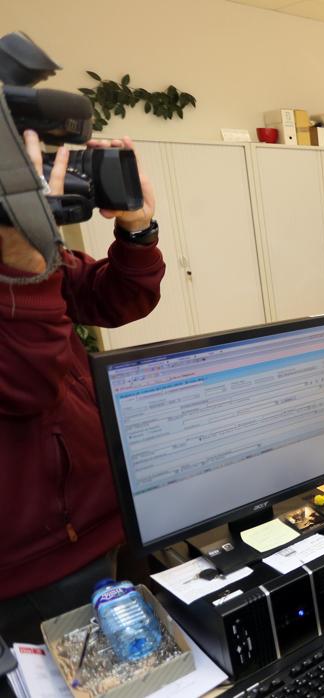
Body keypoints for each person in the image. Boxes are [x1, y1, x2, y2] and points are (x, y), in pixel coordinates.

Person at [0, 132, 163, 643]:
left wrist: (138, 231)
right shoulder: (17, 251)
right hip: (36, 565)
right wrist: (22, 258)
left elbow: (117, 299)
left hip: (108, 512)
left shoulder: (28, 249)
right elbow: (28, 385)